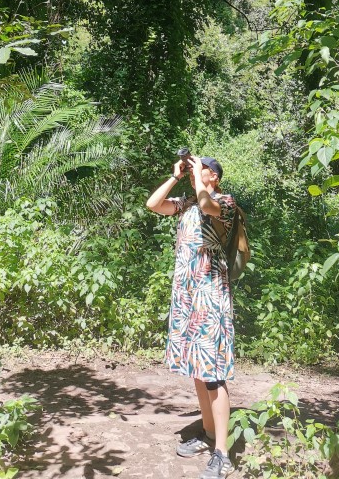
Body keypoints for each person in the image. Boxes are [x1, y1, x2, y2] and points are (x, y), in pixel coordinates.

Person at [146, 153, 236, 479]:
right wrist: (176, 176)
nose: (199, 171)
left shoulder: (225, 202)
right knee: (197, 368)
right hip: (186, 296)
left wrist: (197, 178)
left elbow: (207, 205)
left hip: (210, 294)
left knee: (213, 373)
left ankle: (223, 454)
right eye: (199, 167)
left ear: (215, 177)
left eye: (205, 168)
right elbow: (153, 204)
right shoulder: (187, 204)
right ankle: (209, 434)